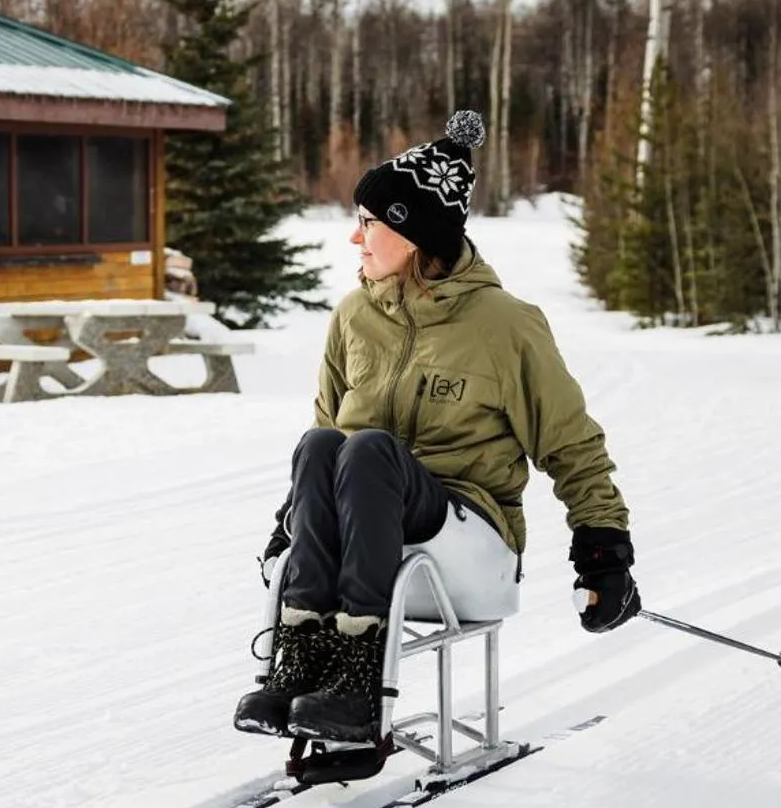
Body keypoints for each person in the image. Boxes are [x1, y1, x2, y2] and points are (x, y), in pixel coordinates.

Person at [234, 111, 639, 747]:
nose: (355, 238)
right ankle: (304, 658)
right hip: (372, 533)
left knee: (368, 450)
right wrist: (290, 525)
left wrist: (603, 551)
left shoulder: (505, 325)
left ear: (411, 233)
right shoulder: (353, 317)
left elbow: (570, 443)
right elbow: (323, 438)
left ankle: (359, 684)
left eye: (368, 222)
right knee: (323, 443)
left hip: (468, 535)